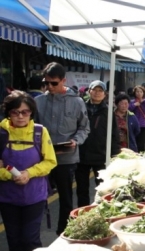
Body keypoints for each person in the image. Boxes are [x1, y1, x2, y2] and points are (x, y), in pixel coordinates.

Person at [1, 91, 57, 251]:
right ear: (8, 113)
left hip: (34, 196)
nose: (20, 116)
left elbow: (50, 161)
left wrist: (29, 173)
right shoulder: (1, 134)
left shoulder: (40, 132)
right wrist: (9, 175)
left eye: (25, 112)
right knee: (14, 239)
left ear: (31, 112)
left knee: (30, 239)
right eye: (15, 112)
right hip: (7, 197)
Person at [35, 62, 89, 236]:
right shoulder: (38, 101)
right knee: (37, 197)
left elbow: (84, 127)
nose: (49, 87)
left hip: (66, 157)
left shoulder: (77, 102)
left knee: (65, 197)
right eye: (46, 83)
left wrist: (76, 140)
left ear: (63, 80)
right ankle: (34, 230)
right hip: (40, 158)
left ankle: (64, 232)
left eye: (54, 83)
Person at [76, 80, 120, 207]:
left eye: (100, 90)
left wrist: (115, 154)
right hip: (82, 154)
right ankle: (83, 212)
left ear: (105, 94)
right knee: (82, 189)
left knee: (103, 189)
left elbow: (114, 133)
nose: (97, 93)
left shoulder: (108, 111)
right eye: (94, 89)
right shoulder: (81, 108)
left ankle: (101, 211)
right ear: (89, 91)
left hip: (101, 155)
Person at [129, 85, 145, 152]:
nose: (139, 93)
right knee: (134, 141)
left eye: (141, 92)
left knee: (142, 142)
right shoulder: (132, 101)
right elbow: (128, 109)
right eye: (137, 92)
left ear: (143, 93)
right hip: (133, 124)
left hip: (143, 124)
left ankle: (141, 153)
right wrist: (134, 105)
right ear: (135, 93)